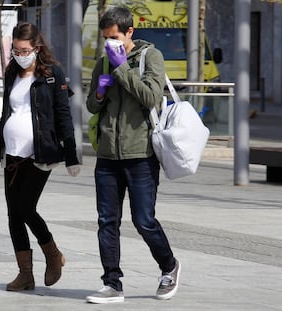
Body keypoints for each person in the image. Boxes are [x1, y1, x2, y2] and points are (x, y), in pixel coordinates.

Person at [85, 6, 180, 304]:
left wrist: (122, 68)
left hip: (141, 154)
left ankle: (169, 266)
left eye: (114, 38)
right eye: (105, 39)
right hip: (108, 156)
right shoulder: (102, 63)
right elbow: (91, 106)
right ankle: (111, 283)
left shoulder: (150, 57)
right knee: (106, 221)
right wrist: (100, 93)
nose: (109, 44)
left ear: (129, 32)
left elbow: (152, 96)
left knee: (144, 220)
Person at [0, 22, 80, 291]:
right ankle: (25, 274)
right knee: (13, 215)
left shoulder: (52, 75)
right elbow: (6, 114)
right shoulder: (11, 74)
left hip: (40, 153)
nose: (19, 54)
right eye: (15, 50)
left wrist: (71, 155)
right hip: (13, 153)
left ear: (36, 48)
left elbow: (63, 115)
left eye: (24, 50)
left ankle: (52, 254)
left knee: (26, 207)